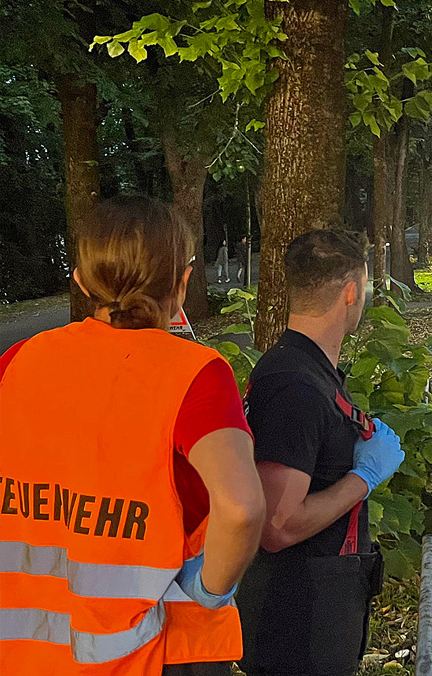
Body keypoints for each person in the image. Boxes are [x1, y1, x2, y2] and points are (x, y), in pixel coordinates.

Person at [0, 195, 265, 676]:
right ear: (182, 283)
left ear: (81, 280)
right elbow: (242, 508)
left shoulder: (16, 363)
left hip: (26, 652)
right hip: (153, 649)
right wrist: (206, 592)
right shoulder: (195, 375)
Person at [237, 229, 405, 676]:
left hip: (314, 613)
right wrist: (364, 478)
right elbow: (277, 524)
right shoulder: (294, 384)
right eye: (365, 287)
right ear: (351, 291)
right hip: (298, 625)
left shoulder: (305, 368)